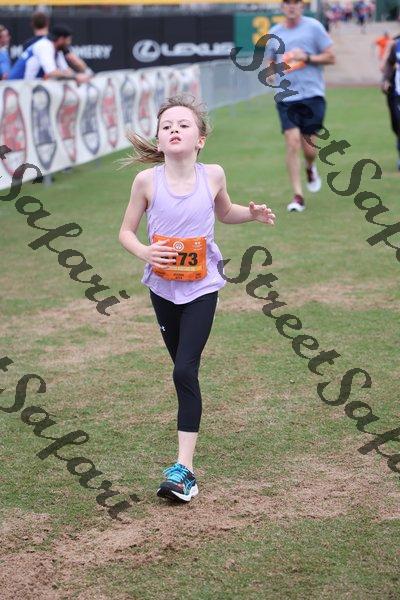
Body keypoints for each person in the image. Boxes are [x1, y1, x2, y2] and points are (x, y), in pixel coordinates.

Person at [118, 95, 276, 503]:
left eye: (183, 124)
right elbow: (125, 232)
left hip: (202, 287)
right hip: (162, 288)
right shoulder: (146, 181)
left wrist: (252, 213)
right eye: (167, 125)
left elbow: (225, 212)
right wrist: (145, 252)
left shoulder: (214, 175)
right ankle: (185, 456)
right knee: (184, 371)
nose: (174, 129)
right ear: (159, 138)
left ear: (200, 139)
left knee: (183, 370)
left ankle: (184, 470)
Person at [265, 0, 335, 212]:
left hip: (313, 95)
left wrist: (307, 57)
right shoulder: (274, 32)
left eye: (296, 2)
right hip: (286, 97)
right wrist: (270, 73)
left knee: (309, 149)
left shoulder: (314, 27)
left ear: (302, 6)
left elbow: (331, 57)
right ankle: (298, 196)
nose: (292, 6)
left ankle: (310, 166)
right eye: (288, 3)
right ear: (282, 7)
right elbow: (270, 62)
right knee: (292, 142)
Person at [22, 11, 93, 77]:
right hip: (25, 83)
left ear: (32, 24)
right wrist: (78, 76)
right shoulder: (45, 45)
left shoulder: (54, 46)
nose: (68, 43)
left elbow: (65, 69)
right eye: (68, 40)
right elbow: (52, 71)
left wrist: (82, 75)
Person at [381, 34, 400, 170]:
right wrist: (386, 80)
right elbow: (389, 62)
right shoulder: (397, 45)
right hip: (398, 93)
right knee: (397, 124)